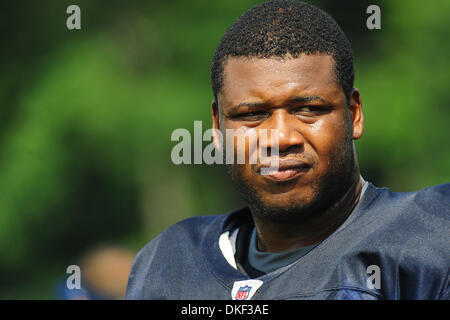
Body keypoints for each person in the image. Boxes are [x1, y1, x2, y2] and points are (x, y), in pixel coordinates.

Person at [126, 0, 449, 300]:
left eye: (308, 109)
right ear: (218, 126)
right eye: (252, 115)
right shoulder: (167, 262)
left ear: (354, 115)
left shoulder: (430, 236)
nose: (280, 138)